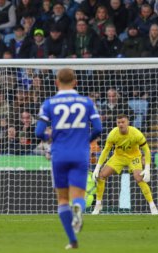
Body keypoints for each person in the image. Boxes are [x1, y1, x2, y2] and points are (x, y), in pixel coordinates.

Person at [35, 68, 102, 249]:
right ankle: (79, 208)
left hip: (59, 154)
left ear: (56, 82)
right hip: (80, 153)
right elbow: (98, 128)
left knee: (63, 199)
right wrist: (84, 141)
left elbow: (38, 132)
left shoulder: (49, 103)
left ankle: (73, 241)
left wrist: (51, 138)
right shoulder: (86, 102)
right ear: (75, 82)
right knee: (78, 195)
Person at [92, 114, 158, 215]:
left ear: (128, 122)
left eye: (123, 122)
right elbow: (106, 151)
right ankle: (98, 205)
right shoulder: (113, 134)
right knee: (101, 176)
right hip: (118, 157)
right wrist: (97, 167)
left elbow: (147, 150)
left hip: (134, 157)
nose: (121, 124)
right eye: (118, 122)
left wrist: (147, 168)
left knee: (139, 178)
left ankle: (152, 205)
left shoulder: (136, 134)